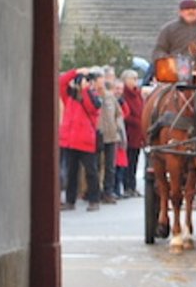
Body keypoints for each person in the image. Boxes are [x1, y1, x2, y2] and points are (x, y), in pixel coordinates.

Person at [58, 66, 102, 211]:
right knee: (71, 172)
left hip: (85, 141)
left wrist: (85, 90)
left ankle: (94, 200)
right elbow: (61, 82)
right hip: (70, 141)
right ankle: (70, 201)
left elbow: (91, 108)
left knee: (91, 172)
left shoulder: (93, 97)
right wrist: (76, 72)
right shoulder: (69, 97)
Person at [151, 0, 196, 83]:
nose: (191, 12)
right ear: (180, 12)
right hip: (176, 72)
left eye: (194, 9)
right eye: (187, 9)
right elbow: (158, 50)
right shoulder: (169, 29)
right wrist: (169, 60)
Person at [96, 66, 123, 203]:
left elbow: (119, 114)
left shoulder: (110, 97)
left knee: (110, 167)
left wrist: (117, 126)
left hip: (112, 136)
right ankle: (96, 192)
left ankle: (108, 192)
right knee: (97, 166)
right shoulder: (92, 96)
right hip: (97, 135)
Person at [119, 69, 144, 198]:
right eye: (132, 79)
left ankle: (132, 186)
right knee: (127, 161)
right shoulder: (124, 95)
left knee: (134, 161)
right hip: (129, 132)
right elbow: (125, 114)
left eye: (136, 79)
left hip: (138, 133)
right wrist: (137, 122)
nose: (135, 81)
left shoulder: (138, 94)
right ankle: (127, 186)